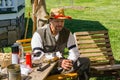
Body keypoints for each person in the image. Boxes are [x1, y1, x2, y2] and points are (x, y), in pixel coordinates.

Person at [31, 8, 90, 80]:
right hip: (45, 67)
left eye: (62, 21)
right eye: (57, 21)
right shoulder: (39, 34)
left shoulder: (67, 33)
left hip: (62, 66)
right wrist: (57, 62)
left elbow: (74, 51)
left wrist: (69, 61)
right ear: (50, 21)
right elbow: (38, 56)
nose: (60, 24)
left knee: (85, 61)